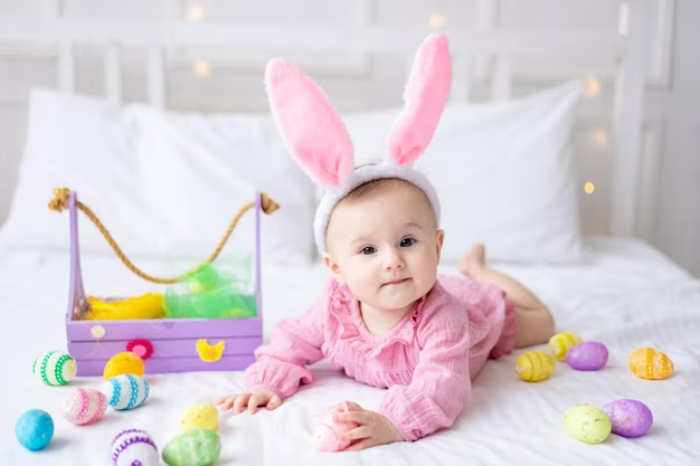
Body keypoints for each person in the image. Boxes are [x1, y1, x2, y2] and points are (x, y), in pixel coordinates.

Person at [215, 33, 554, 451]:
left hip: (479, 316)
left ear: (436, 246)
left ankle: (480, 271)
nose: (392, 261)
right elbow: (292, 341)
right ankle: (472, 270)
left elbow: (442, 386)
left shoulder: (443, 318)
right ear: (336, 268)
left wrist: (391, 421)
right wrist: (267, 383)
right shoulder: (334, 308)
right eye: (368, 250)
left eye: (408, 241)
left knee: (543, 322)